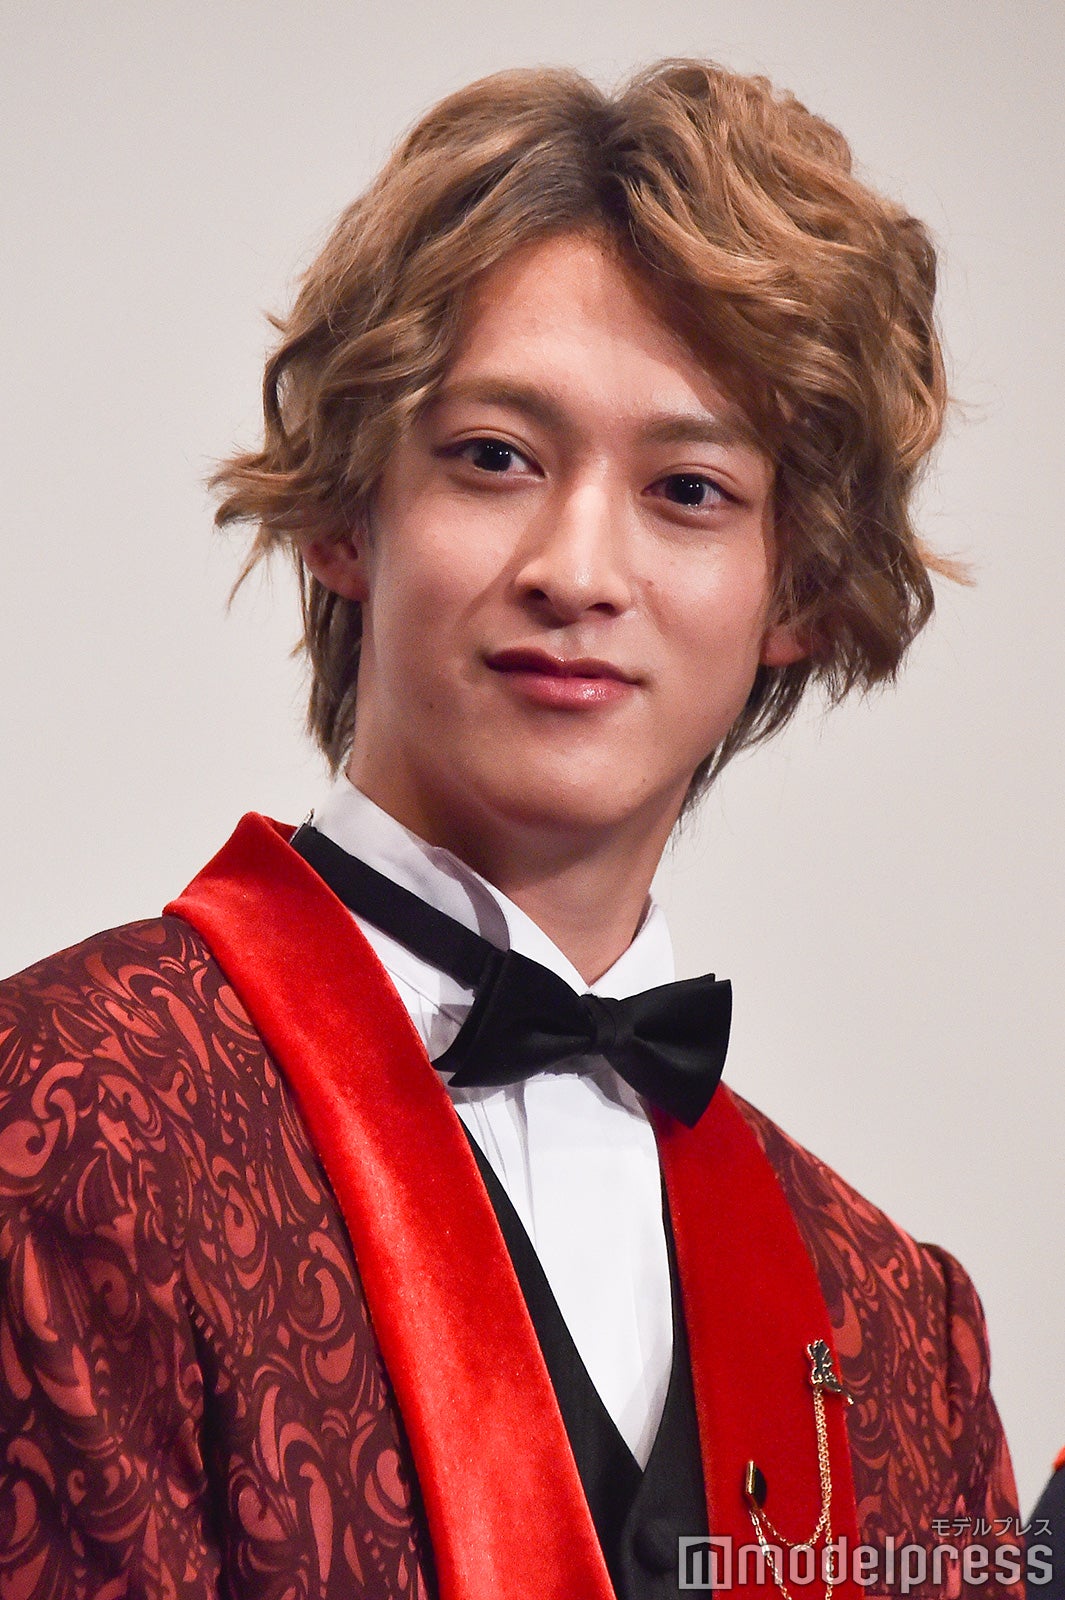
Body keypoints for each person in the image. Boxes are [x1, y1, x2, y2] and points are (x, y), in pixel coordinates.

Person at [0, 60, 1022, 1599]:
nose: (576, 569)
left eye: (689, 488)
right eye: (495, 457)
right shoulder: (64, 1119)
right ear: (344, 513)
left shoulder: (894, 1330)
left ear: (798, 592)